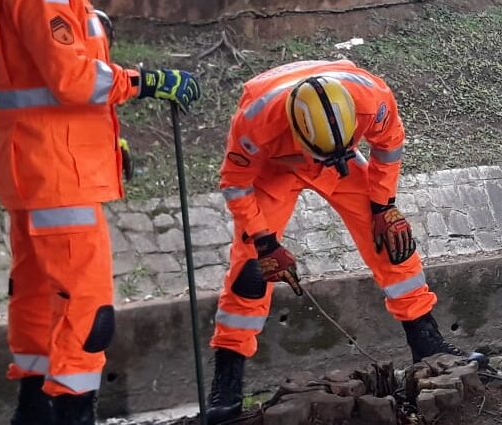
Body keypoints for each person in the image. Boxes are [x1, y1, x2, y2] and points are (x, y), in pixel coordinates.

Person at [0, 0, 202, 425]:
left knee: (37, 303)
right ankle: (71, 416)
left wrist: (112, 147)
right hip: (58, 174)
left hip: (35, 167)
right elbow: (76, 79)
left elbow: (47, 89)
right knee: (88, 311)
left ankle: (31, 415)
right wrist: (148, 80)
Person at [203, 59, 486, 425]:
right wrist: (264, 242)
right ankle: (226, 384)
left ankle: (427, 343)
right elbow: (235, 183)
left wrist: (384, 205)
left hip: (344, 160)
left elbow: (389, 145)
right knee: (250, 270)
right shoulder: (255, 124)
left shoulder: (373, 99)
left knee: (388, 238)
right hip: (274, 170)